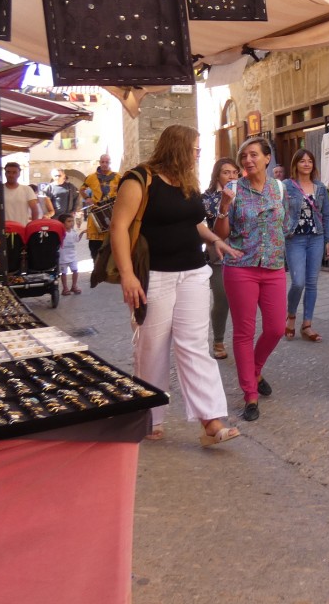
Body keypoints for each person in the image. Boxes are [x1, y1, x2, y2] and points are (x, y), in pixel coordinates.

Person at [111, 125, 241, 446]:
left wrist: (214, 240)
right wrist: (127, 275)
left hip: (193, 273)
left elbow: (194, 221)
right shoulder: (139, 179)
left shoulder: (186, 181)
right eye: (195, 148)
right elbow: (118, 227)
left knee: (194, 345)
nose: (198, 154)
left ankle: (211, 420)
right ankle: (149, 416)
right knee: (152, 347)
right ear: (178, 147)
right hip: (155, 275)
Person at [214, 137, 288, 422]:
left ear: (267, 158)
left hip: (273, 267)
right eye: (244, 156)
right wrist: (223, 205)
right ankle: (250, 394)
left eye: (254, 155)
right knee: (244, 332)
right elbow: (221, 234)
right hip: (240, 266)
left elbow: (284, 224)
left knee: (276, 328)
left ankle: (255, 371)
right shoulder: (233, 189)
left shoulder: (279, 188)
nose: (247, 160)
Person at [282, 149, 329, 342]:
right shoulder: (286, 186)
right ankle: (291, 315)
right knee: (298, 282)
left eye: (310, 161)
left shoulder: (320, 187)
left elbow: (327, 215)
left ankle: (307, 325)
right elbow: (279, 212)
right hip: (295, 238)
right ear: (295, 164)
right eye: (302, 161)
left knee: (312, 283)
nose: (306, 164)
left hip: (316, 238)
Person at [202, 157, 239, 360]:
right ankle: (218, 340)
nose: (232, 176)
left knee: (241, 300)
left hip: (242, 254)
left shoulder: (244, 194)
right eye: (227, 172)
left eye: (235, 172)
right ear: (217, 175)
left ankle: (241, 341)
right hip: (218, 255)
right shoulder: (207, 198)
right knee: (222, 298)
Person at [83, 154, 121, 264]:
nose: (104, 164)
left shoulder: (118, 177)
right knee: (94, 244)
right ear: (99, 162)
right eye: (102, 162)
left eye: (107, 162)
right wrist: (87, 198)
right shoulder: (91, 177)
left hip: (111, 212)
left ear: (110, 163)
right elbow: (82, 189)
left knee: (112, 241)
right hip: (96, 212)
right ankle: (96, 264)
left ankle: (109, 265)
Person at [57, 213, 83, 295]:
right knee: (64, 273)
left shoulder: (73, 232)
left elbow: (77, 239)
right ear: (62, 223)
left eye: (72, 221)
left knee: (75, 270)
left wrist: (82, 233)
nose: (71, 223)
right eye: (69, 221)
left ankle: (74, 286)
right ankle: (65, 288)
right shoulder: (60, 233)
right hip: (63, 257)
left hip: (72, 256)